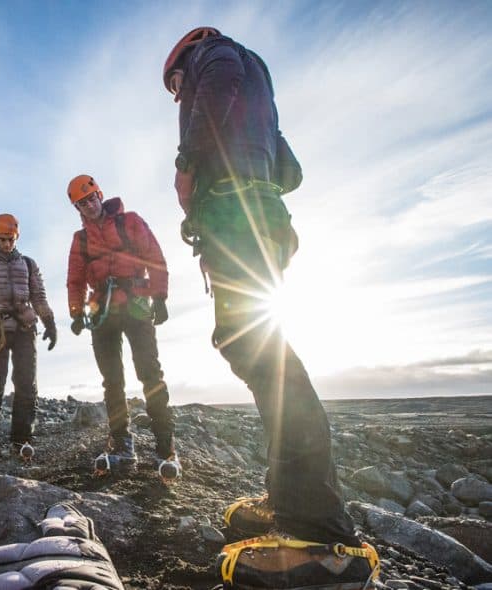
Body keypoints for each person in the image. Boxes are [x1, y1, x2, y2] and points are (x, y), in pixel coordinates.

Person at [163, 27, 379, 588]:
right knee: (259, 349)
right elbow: (292, 172)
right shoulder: (257, 75)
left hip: (237, 217)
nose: (177, 93)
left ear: (186, 59)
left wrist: (189, 165)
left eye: (174, 84)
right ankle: (295, 499)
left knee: (260, 352)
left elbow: (220, 82)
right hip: (260, 217)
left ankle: (316, 530)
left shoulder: (216, 56)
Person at [65, 174, 180, 481]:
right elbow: (75, 278)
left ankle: (165, 448)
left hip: (136, 305)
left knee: (149, 374)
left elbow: (154, 256)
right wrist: (76, 313)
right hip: (102, 310)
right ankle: (121, 444)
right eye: (82, 203)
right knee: (112, 380)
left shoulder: (130, 221)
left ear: (100, 195)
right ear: (77, 208)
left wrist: (160, 297)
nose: (89, 206)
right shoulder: (81, 240)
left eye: (91, 199)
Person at [0, 214, 56, 471]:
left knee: (26, 384)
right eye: (2, 239)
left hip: (26, 330)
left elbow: (38, 296)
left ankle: (22, 440)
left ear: (17, 237)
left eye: (11, 239)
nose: (6, 244)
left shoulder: (28, 263)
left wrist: (49, 321)